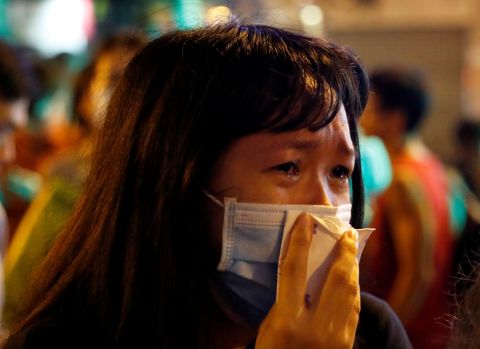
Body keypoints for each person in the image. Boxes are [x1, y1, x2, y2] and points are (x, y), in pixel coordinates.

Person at [2, 23, 411, 348]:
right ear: (176, 179)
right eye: (289, 166)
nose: (324, 207)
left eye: (340, 172)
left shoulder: (368, 330)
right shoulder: (59, 340)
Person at [1, 30, 147, 328]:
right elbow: (17, 300)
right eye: (115, 79)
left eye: (140, 85)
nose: (126, 97)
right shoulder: (65, 182)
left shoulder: (167, 192)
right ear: (85, 97)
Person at [360, 67, 456, 348]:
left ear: (396, 118)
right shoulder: (432, 165)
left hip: (415, 333)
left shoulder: (403, 179)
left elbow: (417, 274)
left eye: (370, 108)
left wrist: (385, 335)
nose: (362, 116)